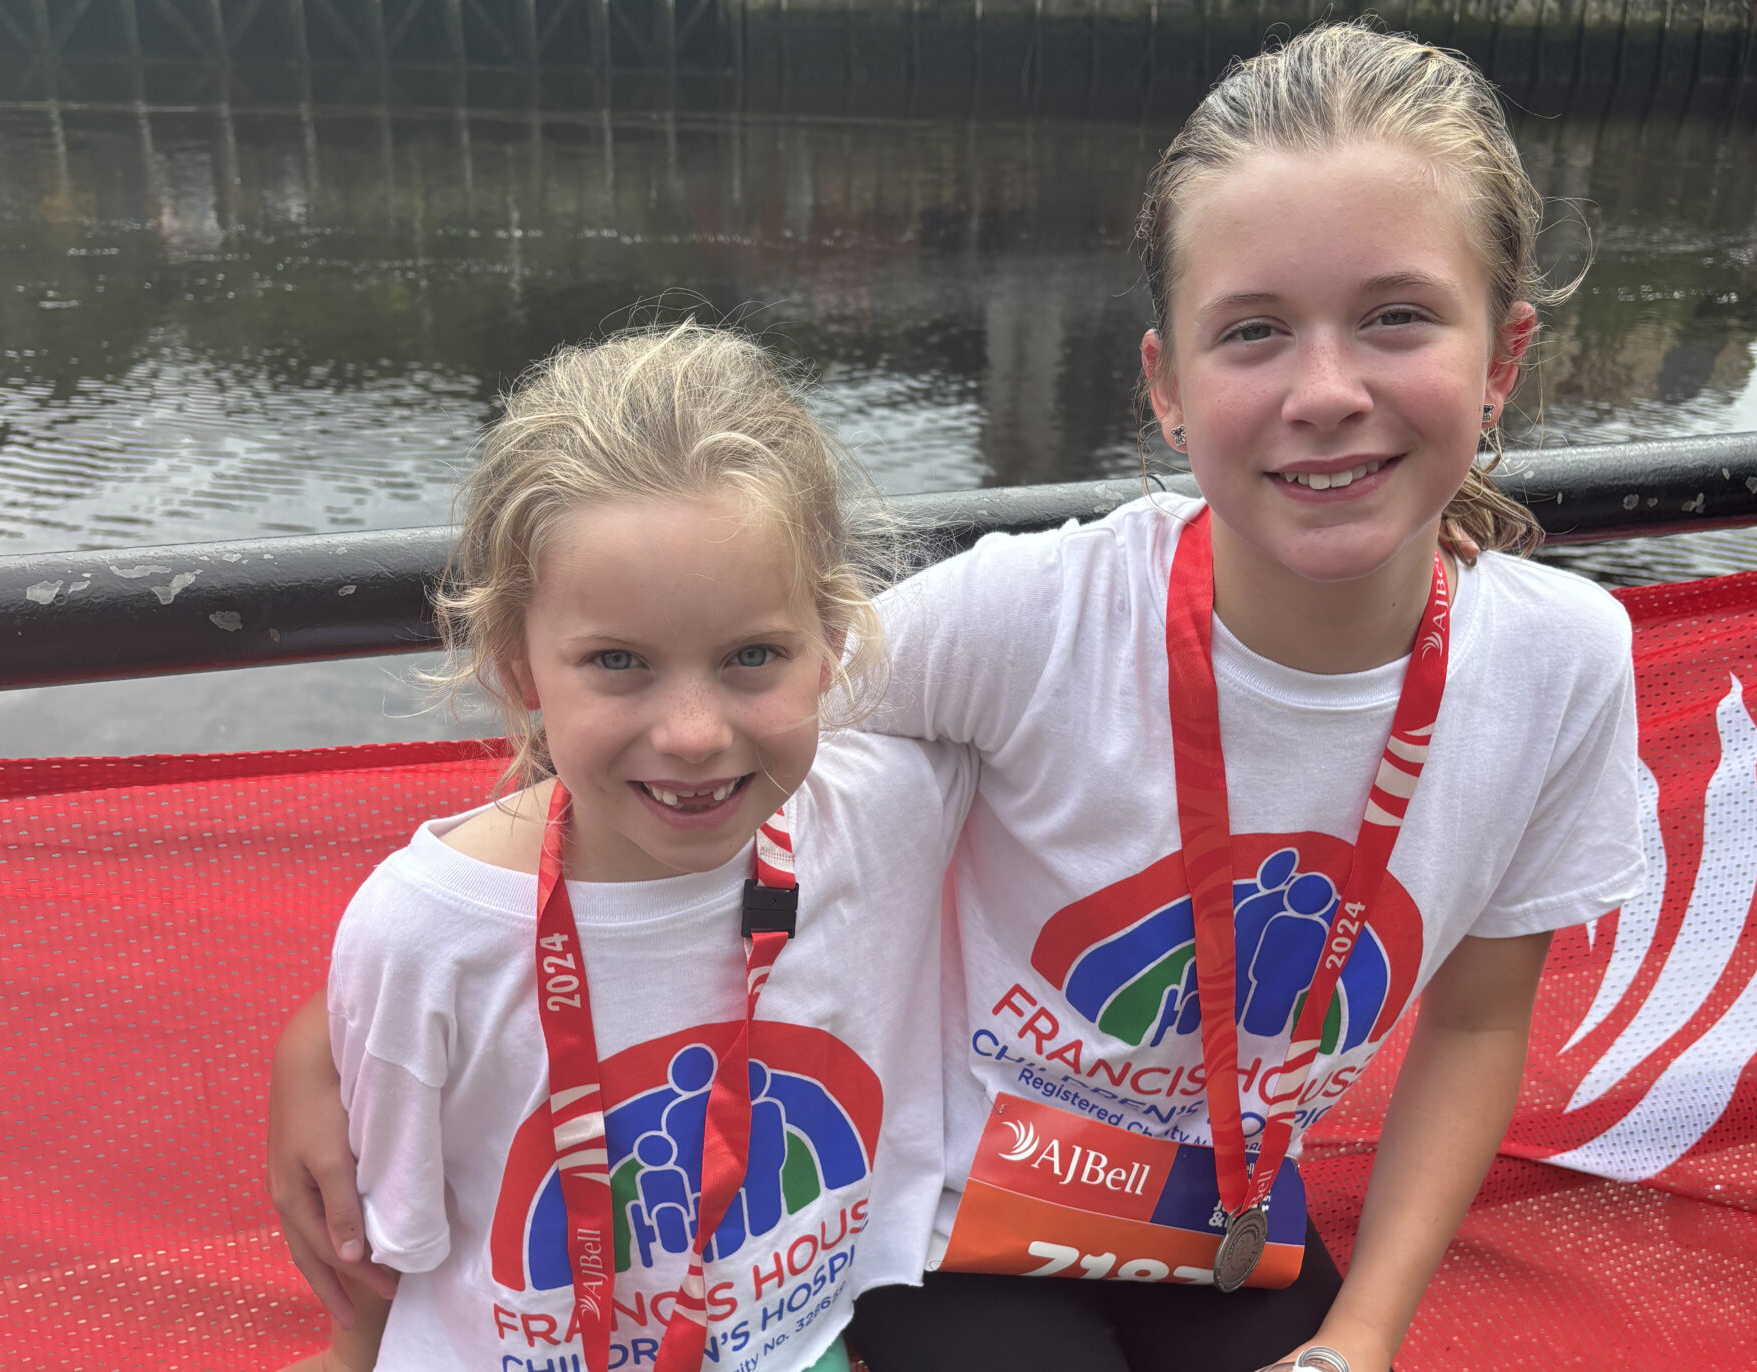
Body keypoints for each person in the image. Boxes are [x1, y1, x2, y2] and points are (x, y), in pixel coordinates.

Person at [272, 21, 1645, 1372]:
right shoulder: (1027, 615)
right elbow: (688, 732)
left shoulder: (1562, 664)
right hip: (950, 1220)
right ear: (1165, 385)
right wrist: (351, 1016)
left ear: (1504, 354)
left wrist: (1359, 1343)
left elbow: (1473, 1019)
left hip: (1221, 1221)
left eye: (1397, 317)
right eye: (1256, 332)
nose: (1328, 390)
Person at [275, 321, 972, 1372]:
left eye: (752, 655)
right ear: (520, 670)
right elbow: (375, 1281)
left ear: (833, 644)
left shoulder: (889, 812)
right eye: (617, 661)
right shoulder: (423, 933)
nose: (693, 733)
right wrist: (314, 1039)